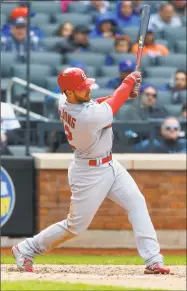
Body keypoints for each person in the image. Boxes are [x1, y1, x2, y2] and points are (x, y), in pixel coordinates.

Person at [12, 66, 170, 275]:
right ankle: (26, 249)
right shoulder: (86, 118)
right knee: (75, 226)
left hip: (109, 164)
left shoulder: (66, 102)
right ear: (69, 92)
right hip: (89, 172)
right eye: (82, 88)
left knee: (137, 203)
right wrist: (127, 84)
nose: (88, 90)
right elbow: (108, 107)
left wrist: (122, 95)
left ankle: (153, 259)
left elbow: (98, 103)